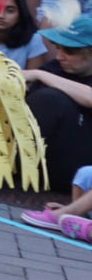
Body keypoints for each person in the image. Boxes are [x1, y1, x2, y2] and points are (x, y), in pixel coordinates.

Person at [16, 12, 92, 196]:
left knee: (51, 99)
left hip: (81, 169)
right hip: (43, 157)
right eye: (59, 48)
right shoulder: (56, 68)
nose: (59, 56)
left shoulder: (48, 73)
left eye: (69, 51)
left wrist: (40, 75)